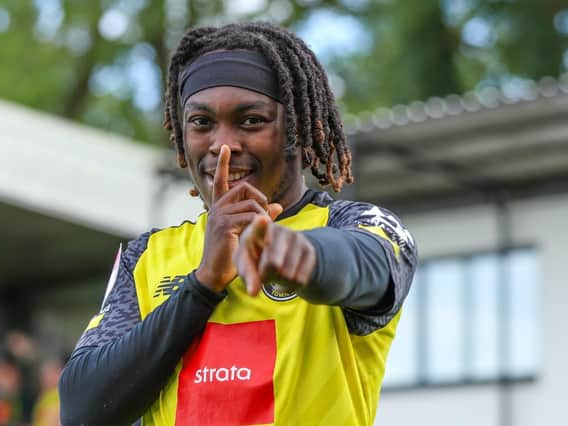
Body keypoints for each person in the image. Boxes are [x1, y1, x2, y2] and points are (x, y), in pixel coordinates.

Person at [59, 22, 417, 426]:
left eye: (251, 121)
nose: (223, 145)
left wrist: (308, 256)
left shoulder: (351, 225)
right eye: (201, 123)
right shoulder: (147, 256)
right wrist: (203, 284)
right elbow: (82, 410)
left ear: (296, 131)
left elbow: (366, 266)